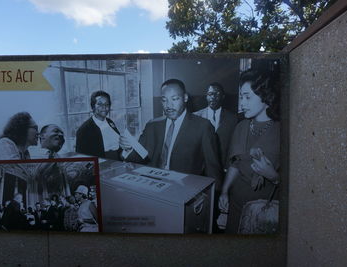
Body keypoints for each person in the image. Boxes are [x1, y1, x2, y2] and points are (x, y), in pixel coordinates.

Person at [120, 79, 223, 189]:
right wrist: (128, 148)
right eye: (164, 100)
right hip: (152, 187)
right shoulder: (152, 125)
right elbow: (139, 157)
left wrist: (212, 198)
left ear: (185, 98)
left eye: (174, 99)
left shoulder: (203, 127)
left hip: (184, 190)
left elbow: (213, 168)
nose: (168, 105)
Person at [218, 68, 280, 234]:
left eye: (247, 97)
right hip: (236, 205)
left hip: (263, 210)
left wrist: (273, 176)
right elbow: (235, 164)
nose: (242, 103)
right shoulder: (241, 127)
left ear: (265, 95)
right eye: (241, 97)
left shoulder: (282, 131)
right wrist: (224, 192)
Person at [194, 82, 238, 169]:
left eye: (217, 94)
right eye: (210, 94)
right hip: (200, 169)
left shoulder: (233, 119)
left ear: (223, 97)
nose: (213, 97)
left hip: (223, 169)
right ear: (206, 96)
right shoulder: (195, 117)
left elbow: (233, 147)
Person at [76, 90, 122, 160]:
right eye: (100, 104)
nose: (104, 107)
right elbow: (82, 158)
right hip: (100, 165)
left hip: (119, 161)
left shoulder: (110, 122)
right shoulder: (84, 130)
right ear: (93, 106)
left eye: (107, 104)